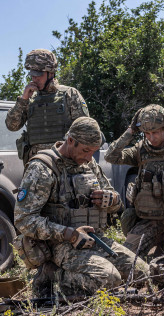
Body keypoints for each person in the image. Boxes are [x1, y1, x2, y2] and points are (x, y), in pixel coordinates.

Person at [13, 117, 149, 297]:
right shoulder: (43, 168)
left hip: (94, 239)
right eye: (85, 150)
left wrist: (111, 200)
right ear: (70, 141)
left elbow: (115, 202)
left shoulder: (89, 163)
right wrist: (68, 233)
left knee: (142, 273)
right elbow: (24, 219)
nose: (88, 157)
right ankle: (51, 274)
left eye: (93, 152)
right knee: (109, 278)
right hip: (59, 245)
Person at [104, 104, 164, 257]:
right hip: (149, 220)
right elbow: (110, 156)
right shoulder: (139, 151)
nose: (151, 137)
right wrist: (130, 131)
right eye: (147, 133)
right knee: (127, 256)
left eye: (155, 132)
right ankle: (160, 243)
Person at [5, 48, 90, 165]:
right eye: (32, 75)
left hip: (64, 164)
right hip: (36, 164)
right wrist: (23, 100)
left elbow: (86, 131)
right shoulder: (29, 98)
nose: (34, 78)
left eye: (38, 74)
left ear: (51, 73)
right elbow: (11, 126)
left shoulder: (69, 94)